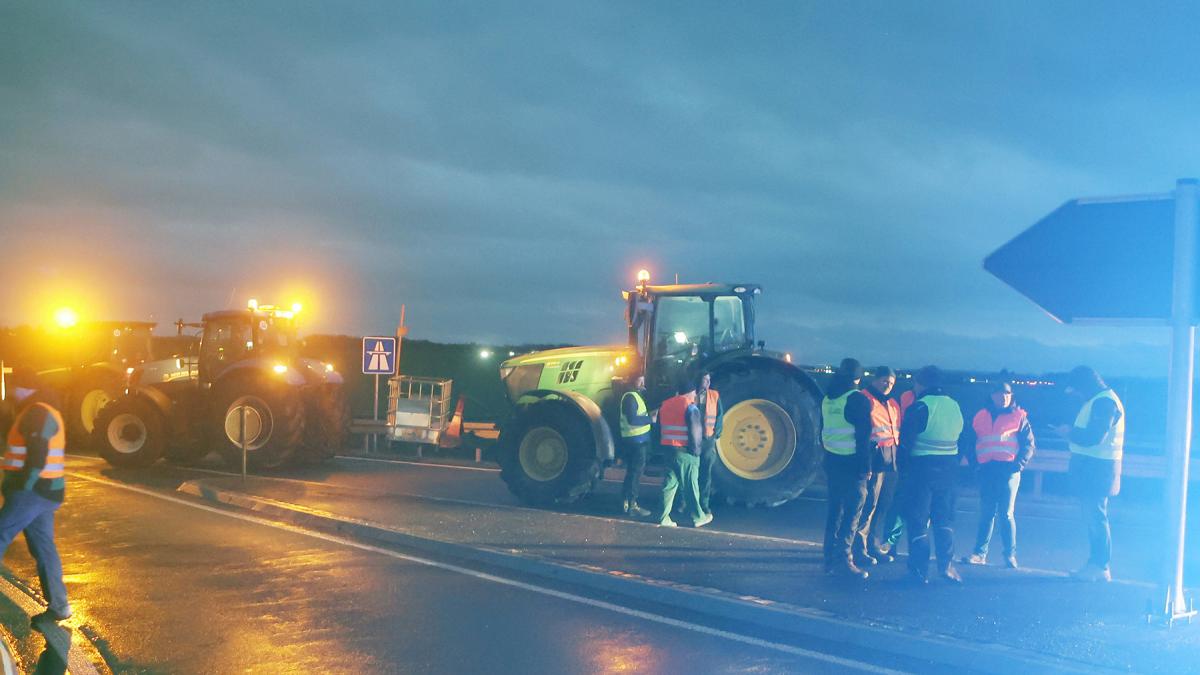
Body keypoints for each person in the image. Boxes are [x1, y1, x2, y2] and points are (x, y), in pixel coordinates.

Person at [1, 368, 72, 624]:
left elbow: (37, 456)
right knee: (43, 548)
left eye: (14, 386)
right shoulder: (46, 410)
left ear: (25, 388)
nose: (11, 391)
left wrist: (24, 487)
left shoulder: (36, 412)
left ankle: (60, 605)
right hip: (47, 492)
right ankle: (60, 606)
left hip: (33, 492)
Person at [1054, 366, 1124, 582]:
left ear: (1084, 385)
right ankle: (1096, 565)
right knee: (1095, 518)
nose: (1074, 394)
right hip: (1096, 471)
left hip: (1097, 471)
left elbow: (1095, 437)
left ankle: (1100, 566)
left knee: (1096, 519)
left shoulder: (1104, 402)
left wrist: (1069, 433)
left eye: (1075, 389)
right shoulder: (1102, 400)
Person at [898, 365, 965, 584]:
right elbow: (964, 440)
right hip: (949, 471)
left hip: (922, 471)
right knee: (944, 520)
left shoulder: (920, 406)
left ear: (921, 384)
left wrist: (903, 471)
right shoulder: (955, 405)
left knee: (918, 522)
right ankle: (946, 567)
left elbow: (905, 444)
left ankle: (918, 572)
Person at [960, 381, 1035, 569]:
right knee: (986, 513)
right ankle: (979, 553)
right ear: (992, 396)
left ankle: (1010, 555)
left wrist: (1018, 465)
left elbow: (1029, 444)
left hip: (1009, 471)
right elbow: (970, 441)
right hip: (987, 470)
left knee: (1006, 514)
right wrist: (975, 464)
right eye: (1000, 394)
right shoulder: (980, 416)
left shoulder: (1019, 416)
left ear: (1011, 396)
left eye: (1007, 394)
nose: (1003, 398)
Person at [821, 358, 872, 579]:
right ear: (858, 378)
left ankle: (829, 560)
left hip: (832, 461)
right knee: (852, 512)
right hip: (852, 464)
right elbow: (863, 438)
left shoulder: (828, 398)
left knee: (835, 512)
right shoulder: (857, 399)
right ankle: (844, 560)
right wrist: (866, 467)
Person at [855, 367, 899, 567]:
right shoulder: (865, 400)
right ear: (875, 379)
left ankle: (873, 545)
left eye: (891, 383)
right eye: (884, 381)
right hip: (874, 461)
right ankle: (859, 549)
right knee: (869, 506)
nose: (887, 385)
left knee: (883, 505)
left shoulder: (892, 404)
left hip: (890, 462)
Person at [653, 377, 711, 528]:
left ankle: (663, 518)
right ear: (692, 392)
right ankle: (698, 517)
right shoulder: (690, 407)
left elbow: (658, 428)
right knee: (691, 485)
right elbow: (695, 432)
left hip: (669, 450)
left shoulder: (665, 405)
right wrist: (696, 452)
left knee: (669, 486)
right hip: (685, 452)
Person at [618, 375, 653, 517]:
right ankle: (632, 505)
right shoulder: (631, 397)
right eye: (640, 380)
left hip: (635, 440)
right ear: (633, 380)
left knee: (632, 472)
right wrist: (651, 418)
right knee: (635, 473)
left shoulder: (634, 396)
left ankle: (626, 502)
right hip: (636, 441)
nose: (643, 382)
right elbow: (632, 419)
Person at [695, 370, 723, 516]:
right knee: (691, 474)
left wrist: (715, 434)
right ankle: (685, 502)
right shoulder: (691, 396)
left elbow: (719, 416)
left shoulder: (714, 396)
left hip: (707, 440)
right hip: (693, 440)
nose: (705, 383)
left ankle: (703, 504)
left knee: (705, 474)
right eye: (703, 380)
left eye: (708, 380)